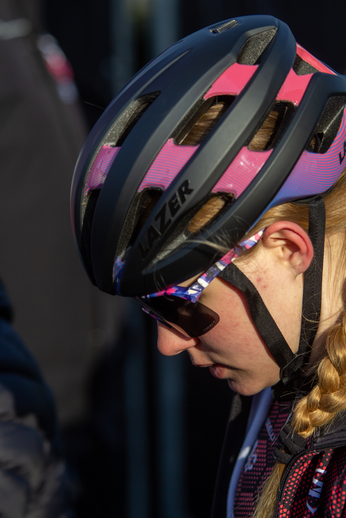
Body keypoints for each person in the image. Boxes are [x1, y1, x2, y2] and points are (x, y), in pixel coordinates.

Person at [70, 14, 346, 517]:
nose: (168, 345)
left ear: (286, 249)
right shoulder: (287, 374)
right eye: (151, 313)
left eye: (181, 306)